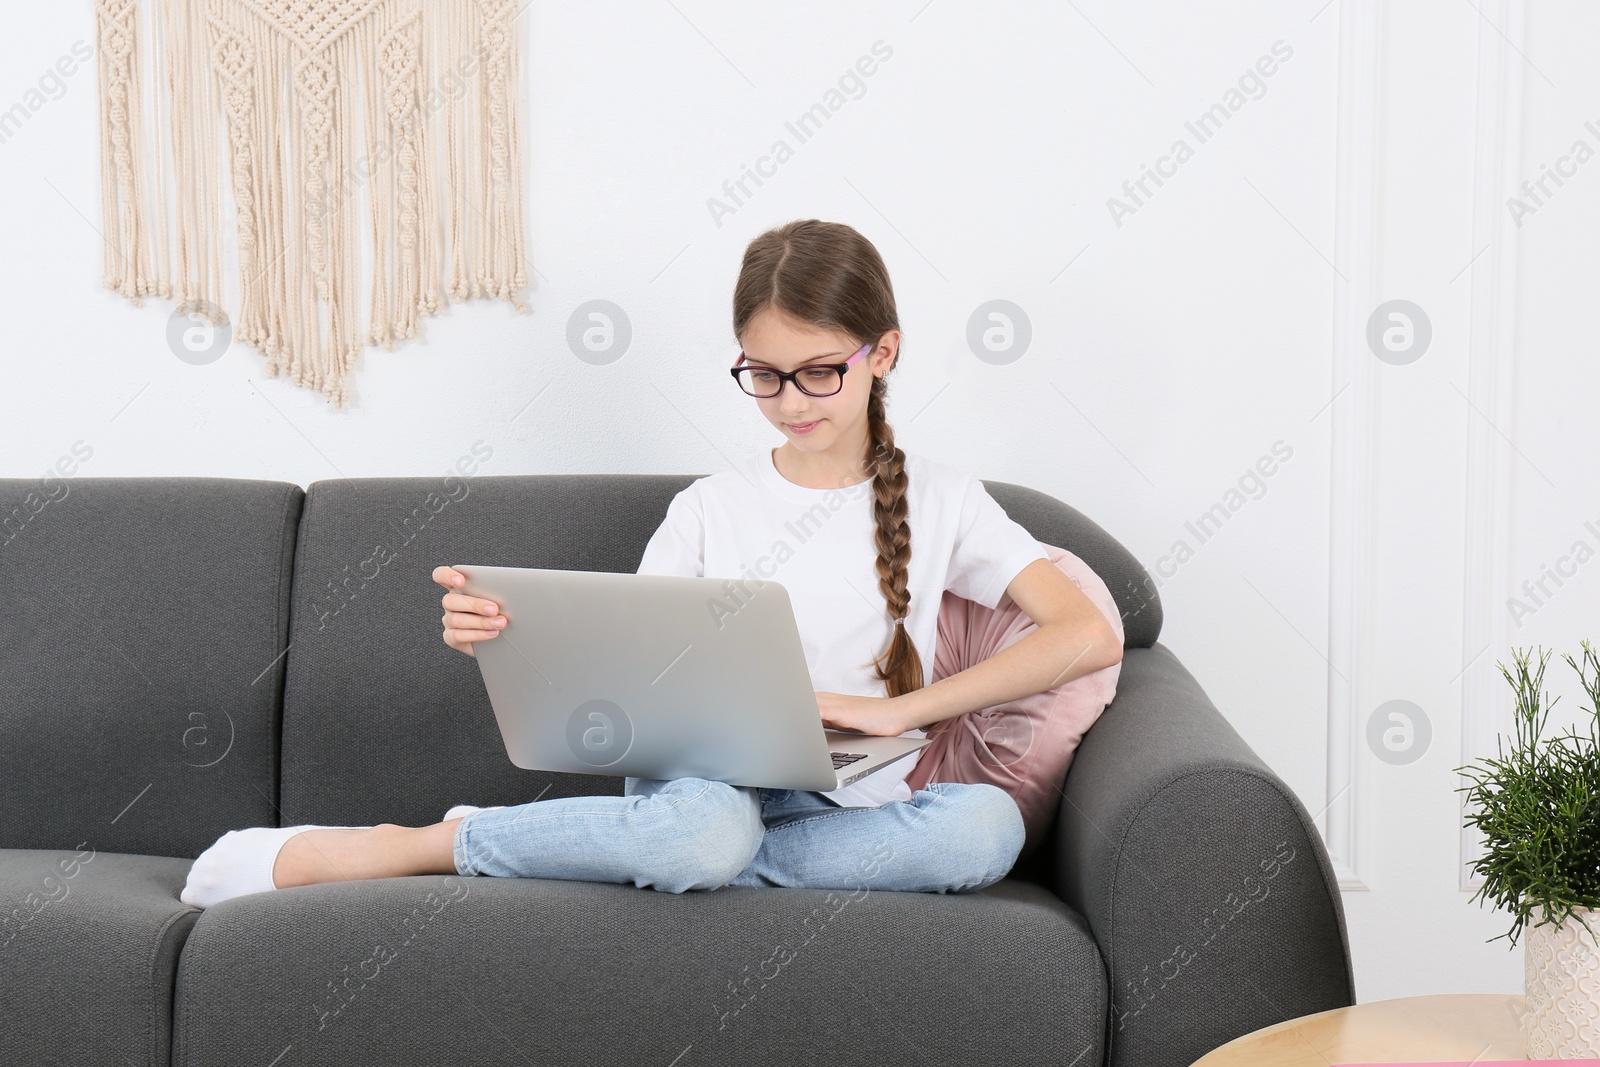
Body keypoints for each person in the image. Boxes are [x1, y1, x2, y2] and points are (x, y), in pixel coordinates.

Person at [179, 219, 1122, 908]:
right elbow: (629, 675)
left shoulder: (946, 497)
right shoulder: (709, 508)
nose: (791, 401)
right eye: (763, 374)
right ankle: (429, 843)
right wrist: (502, 639)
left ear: (885, 354)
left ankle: (658, 857)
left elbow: (1082, 629)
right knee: (705, 827)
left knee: (987, 827)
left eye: (819, 371)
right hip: (702, 786)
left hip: (849, 805)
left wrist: (899, 713)